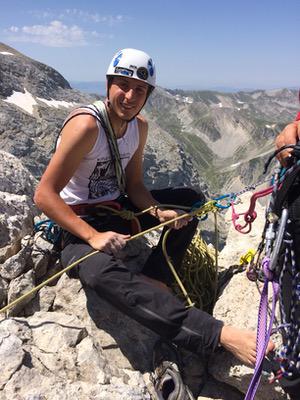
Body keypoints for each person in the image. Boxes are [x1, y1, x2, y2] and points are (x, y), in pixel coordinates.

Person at [34, 48, 274, 372]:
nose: (130, 96)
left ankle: (154, 278)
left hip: (118, 205)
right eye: (123, 85)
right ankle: (216, 334)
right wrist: (92, 237)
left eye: (140, 90)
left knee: (191, 200)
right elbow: (45, 195)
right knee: (97, 274)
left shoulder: (138, 127)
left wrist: (158, 212)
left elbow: (134, 186)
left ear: (148, 94)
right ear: (108, 84)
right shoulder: (85, 126)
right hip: (78, 219)